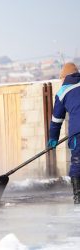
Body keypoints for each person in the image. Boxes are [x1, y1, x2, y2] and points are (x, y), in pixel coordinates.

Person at [48, 62, 80, 204]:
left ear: (64, 77)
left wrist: (53, 138)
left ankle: (78, 197)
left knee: (77, 162)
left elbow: (57, 119)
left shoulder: (63, 91)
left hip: (77, 132)